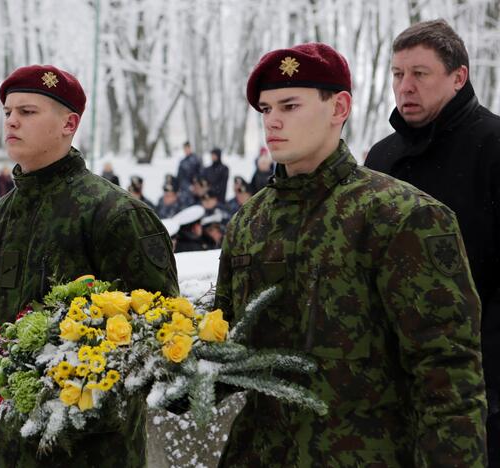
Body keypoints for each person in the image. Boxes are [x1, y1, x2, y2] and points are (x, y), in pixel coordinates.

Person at [213, 42, 486, 466]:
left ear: (339, 107)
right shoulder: (250, 222)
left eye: (289, 105)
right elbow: (230, 348)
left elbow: (447, 377)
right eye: (266, 110)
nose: (273, 122)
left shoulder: (401, 217)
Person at [0, 64, 178, 468]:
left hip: (85, 452)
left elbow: (160, 335)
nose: (11, 120)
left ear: (68, 123)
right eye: (8, 111)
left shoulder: (114, 214)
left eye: (27, 112)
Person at [364, 21, 500, 462]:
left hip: (480, 379)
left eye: (419, 74)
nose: (405, 87)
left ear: (458, 77)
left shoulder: (494, 146)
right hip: (394, 380)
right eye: (397, 74)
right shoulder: (381, 157)